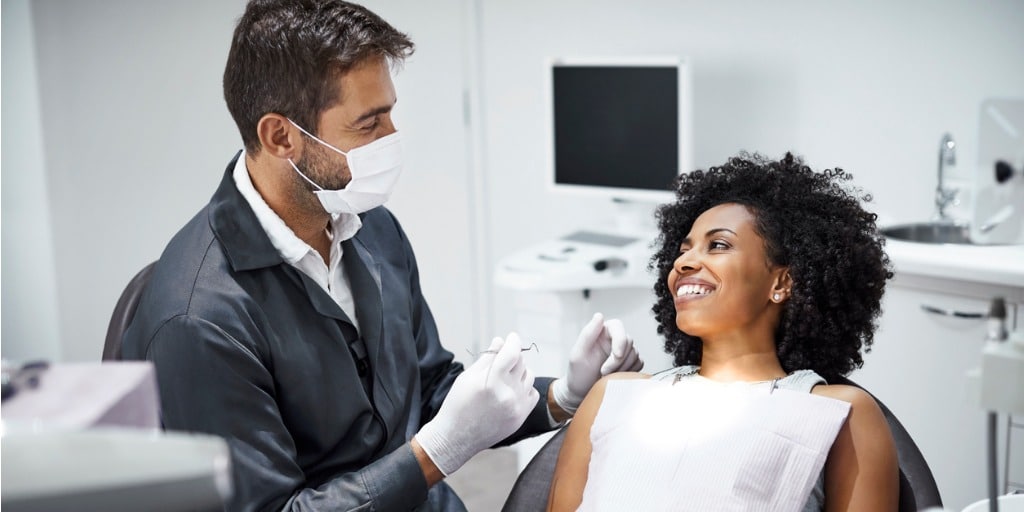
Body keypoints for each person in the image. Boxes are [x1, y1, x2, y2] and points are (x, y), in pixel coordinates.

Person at [121, 1, 642, 510]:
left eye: (389, 115)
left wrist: (562, 396)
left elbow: (431, 386)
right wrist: (434, 454)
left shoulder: (372, 230)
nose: (391, 139)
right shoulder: (200, 319)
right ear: (281, 136)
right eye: (369, 125)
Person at [547, 152, 900, 511]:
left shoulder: (838, 412)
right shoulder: (612, 395)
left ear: (781, 282)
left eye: (718, 245)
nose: (683, 263)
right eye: (683, 250)